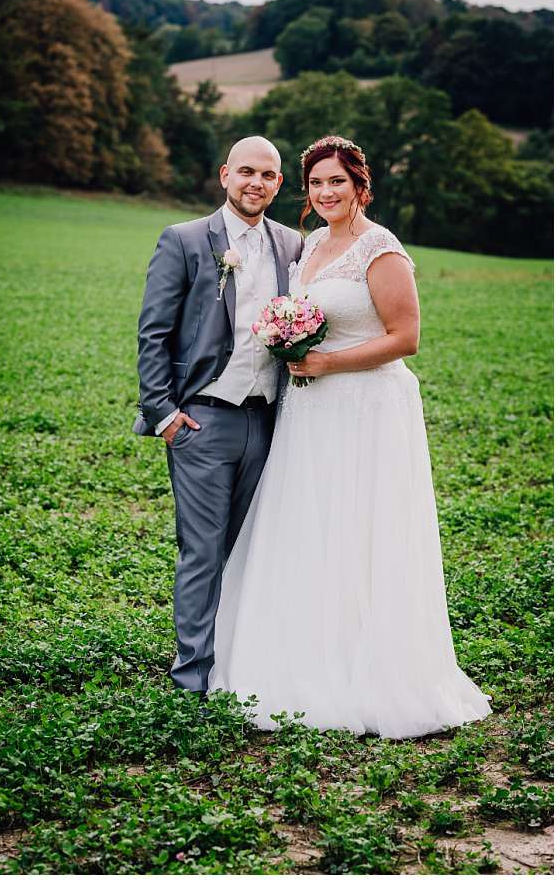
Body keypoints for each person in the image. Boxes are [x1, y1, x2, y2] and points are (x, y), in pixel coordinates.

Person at [207, 135, 492, 738]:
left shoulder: (381, 248)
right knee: (311, 525)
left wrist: (330, 364)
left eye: (337, 181)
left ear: (360, 185)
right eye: (316, 183)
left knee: (365, 529)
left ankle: (373, 670)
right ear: (305, 192)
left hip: (367, 406)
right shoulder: (308, 245)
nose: (326, 192)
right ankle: (305, 658)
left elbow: (406, 336)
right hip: (310, 411)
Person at [135, 136, 303, 696]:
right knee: (203, 551)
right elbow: (154, 332)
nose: (257, 183)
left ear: (280, 185)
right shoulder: (184, 240)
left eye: (269, 176)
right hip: (204, 421)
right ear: (225, 175)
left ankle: (241, 665)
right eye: (247, 172)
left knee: (254, 546)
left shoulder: (292, 245)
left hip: (270, 421)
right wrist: (164, 415)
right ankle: (191, 679)